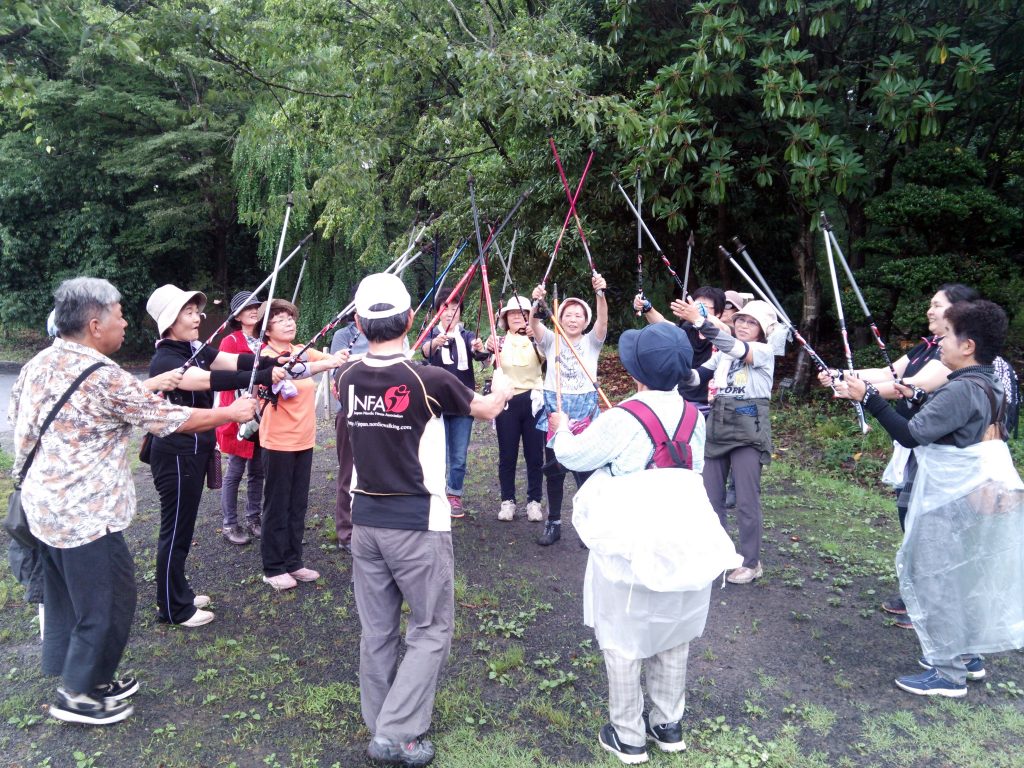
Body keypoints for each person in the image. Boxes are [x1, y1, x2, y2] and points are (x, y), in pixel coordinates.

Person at [9, 277, 257, 725]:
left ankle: (90, 677)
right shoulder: (103, 375)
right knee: (108, 601)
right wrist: (230, 412)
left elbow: (60, 412)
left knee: (72, 601)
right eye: (120, 314)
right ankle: (77, 696)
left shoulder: (40, 363)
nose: (126, 323)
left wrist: (151, 383)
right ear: (94, 323)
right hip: (85, 515)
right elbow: (167, 418)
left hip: (43, 508)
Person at [334, 272, 513, 767]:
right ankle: (394, 733)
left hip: (365, 521)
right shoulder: (428, 378)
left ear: (356, 322)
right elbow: (488, 409)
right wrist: (501, 381)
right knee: (431, 627)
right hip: (416, 522)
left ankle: (383, 718)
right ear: (412, 319)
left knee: (378, 628)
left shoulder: (344, 377)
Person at [550, 322, 741, 764]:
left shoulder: (621, 418)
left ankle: (629, 733)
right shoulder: (696, 415)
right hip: (686, 527)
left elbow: (574, 455)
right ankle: (668, 723)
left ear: (635, 370)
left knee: (623, 630)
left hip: (632, 531)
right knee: (675, 625)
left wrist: (561, 429)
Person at [835, 300, 1024, 697]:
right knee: (962, 575)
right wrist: (915, 398)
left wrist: (868, 398)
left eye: (948, 335)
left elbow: (909, 435)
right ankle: (967, 657)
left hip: (949, 500)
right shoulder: (986, 381)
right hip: (970, 495)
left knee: (937, 578)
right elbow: (953, 427)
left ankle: (947, 673)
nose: (938, 343)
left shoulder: (962, 389)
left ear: (968, 345)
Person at [817, 283, 978, 627]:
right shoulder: (930, 346)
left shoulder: (957, 356)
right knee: (912, 522)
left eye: (937, 305)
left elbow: (911, 386)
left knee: (932, 530)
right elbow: (890, 374)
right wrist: (842, 375)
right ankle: (917, 595)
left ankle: (933, 607)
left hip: (941, 459)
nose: (929, 311)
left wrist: (863, 393)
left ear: (959, 311)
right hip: (918, 452)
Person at [147, 284, 286, 627]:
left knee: (183, 527)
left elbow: (230, 359)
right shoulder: (167, 359)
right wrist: (262, 375)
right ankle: (173, 607)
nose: (197, 318)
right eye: (189, 313)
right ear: (170, 321)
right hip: (176, 455)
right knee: (175, 530)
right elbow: (208, 379)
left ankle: (176, 591)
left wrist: (267, 359)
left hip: (193, 452)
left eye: (197, 312)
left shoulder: (192, 347)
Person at [675, 297, 778, 584]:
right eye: (741, 320)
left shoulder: (763, 352)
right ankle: (715, 555)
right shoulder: (722, 354)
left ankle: (751, 562)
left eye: (751, 322)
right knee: (710, 498)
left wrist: (699, 321)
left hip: (748, 430)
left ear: (762, 330)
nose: (744, 325)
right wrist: (676, 366)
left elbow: (735, 347)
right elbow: (697, 378)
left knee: (746, 500)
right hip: (717, 426)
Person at [258, 299, 349, 590]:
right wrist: (328, 363)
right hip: (277, 441)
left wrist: (342, 356)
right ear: (267, 328)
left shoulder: (299, 350)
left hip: (303, 440)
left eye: (290, 317)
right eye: (280, 318)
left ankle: (293, 561)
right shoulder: (265, 356)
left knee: (298, 503)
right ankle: (273, 567)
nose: (289, 322)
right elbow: (300, 371)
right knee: (276, 504)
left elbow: (322, 359)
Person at [530, 273, 608, 546]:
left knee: (585, 470)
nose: (573, 319)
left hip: (585, 409)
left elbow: (603, 321)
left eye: (578, 315)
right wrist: (536, 303)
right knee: (554, 468)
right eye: (568, 314)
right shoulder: (552, 340)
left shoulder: (592, 342)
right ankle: (554, 522)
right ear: (560, 317)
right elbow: (535, 324)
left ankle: (587, 526)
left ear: (585, 321)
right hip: (556, 408)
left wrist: (600, 294)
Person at [419, 288, 492, 517]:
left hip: (462, 403)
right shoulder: (432, 334)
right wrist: (436, 343)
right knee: (435, 453)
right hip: (436, 405)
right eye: (446, 309)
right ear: (439, 313)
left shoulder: (467, 335)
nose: (451, 313)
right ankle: (436, 494)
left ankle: (454, 495)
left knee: (458, 455)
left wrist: (480, 349)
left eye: (455, 309)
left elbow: (479, 355)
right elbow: (424, 350)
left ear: (460, 312)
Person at [484, 295, 545, 522]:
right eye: (512, 313)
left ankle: (534, 502)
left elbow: (549, 359)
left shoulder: (540, 339)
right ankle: (507, 501)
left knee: (534, 455)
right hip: (506, 401)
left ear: (530, 316)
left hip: (534, 401)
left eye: (522, 313)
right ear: (505, 318)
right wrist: (484, 348)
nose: (518, 316)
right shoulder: (498, 341)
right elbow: (481, 357)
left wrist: (536, 337)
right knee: (507, 455)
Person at [216, 291, 266, 546]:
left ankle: (254, 518)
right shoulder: (230, 341)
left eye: (256, 307)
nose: (253, 311)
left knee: (258, 469)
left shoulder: (262, 342)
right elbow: (225, 377)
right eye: (248, 308)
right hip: (237, 415)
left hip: (260, 415)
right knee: (235, 470)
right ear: (237, 315)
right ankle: (229, 523)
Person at [635, 286, 725, 417]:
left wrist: (704, 317)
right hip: (683, 401)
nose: (695, 309)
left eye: (703, 307)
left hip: (710, 405)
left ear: (718, 313)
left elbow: (725, 330)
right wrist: (647, 308)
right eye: (695, 305)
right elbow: (663, 324)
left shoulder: (723, 337)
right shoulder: (688, 329)